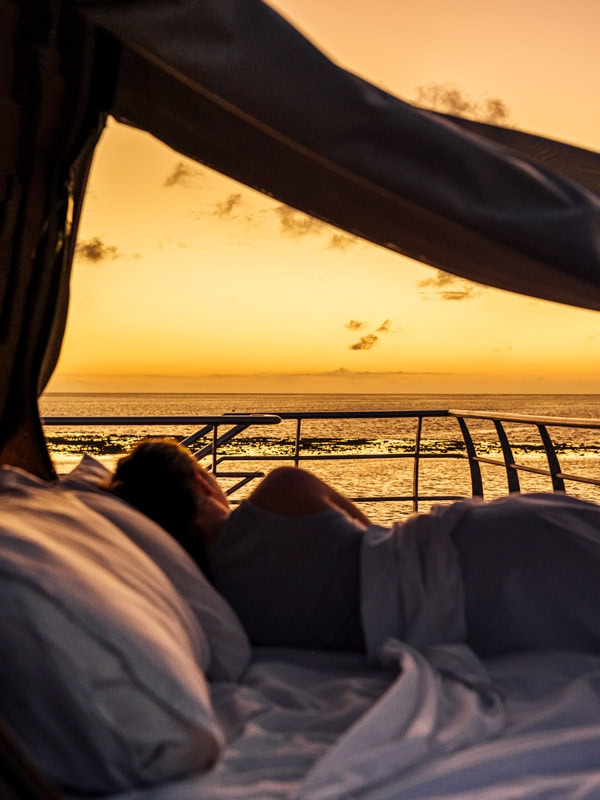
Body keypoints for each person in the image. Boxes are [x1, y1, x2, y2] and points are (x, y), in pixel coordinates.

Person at [109, 438, 600, 657]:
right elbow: (378, 531)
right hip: (490, 547)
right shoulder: (282, 490)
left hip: (470, 625)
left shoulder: (218, 608)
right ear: (201, 480)